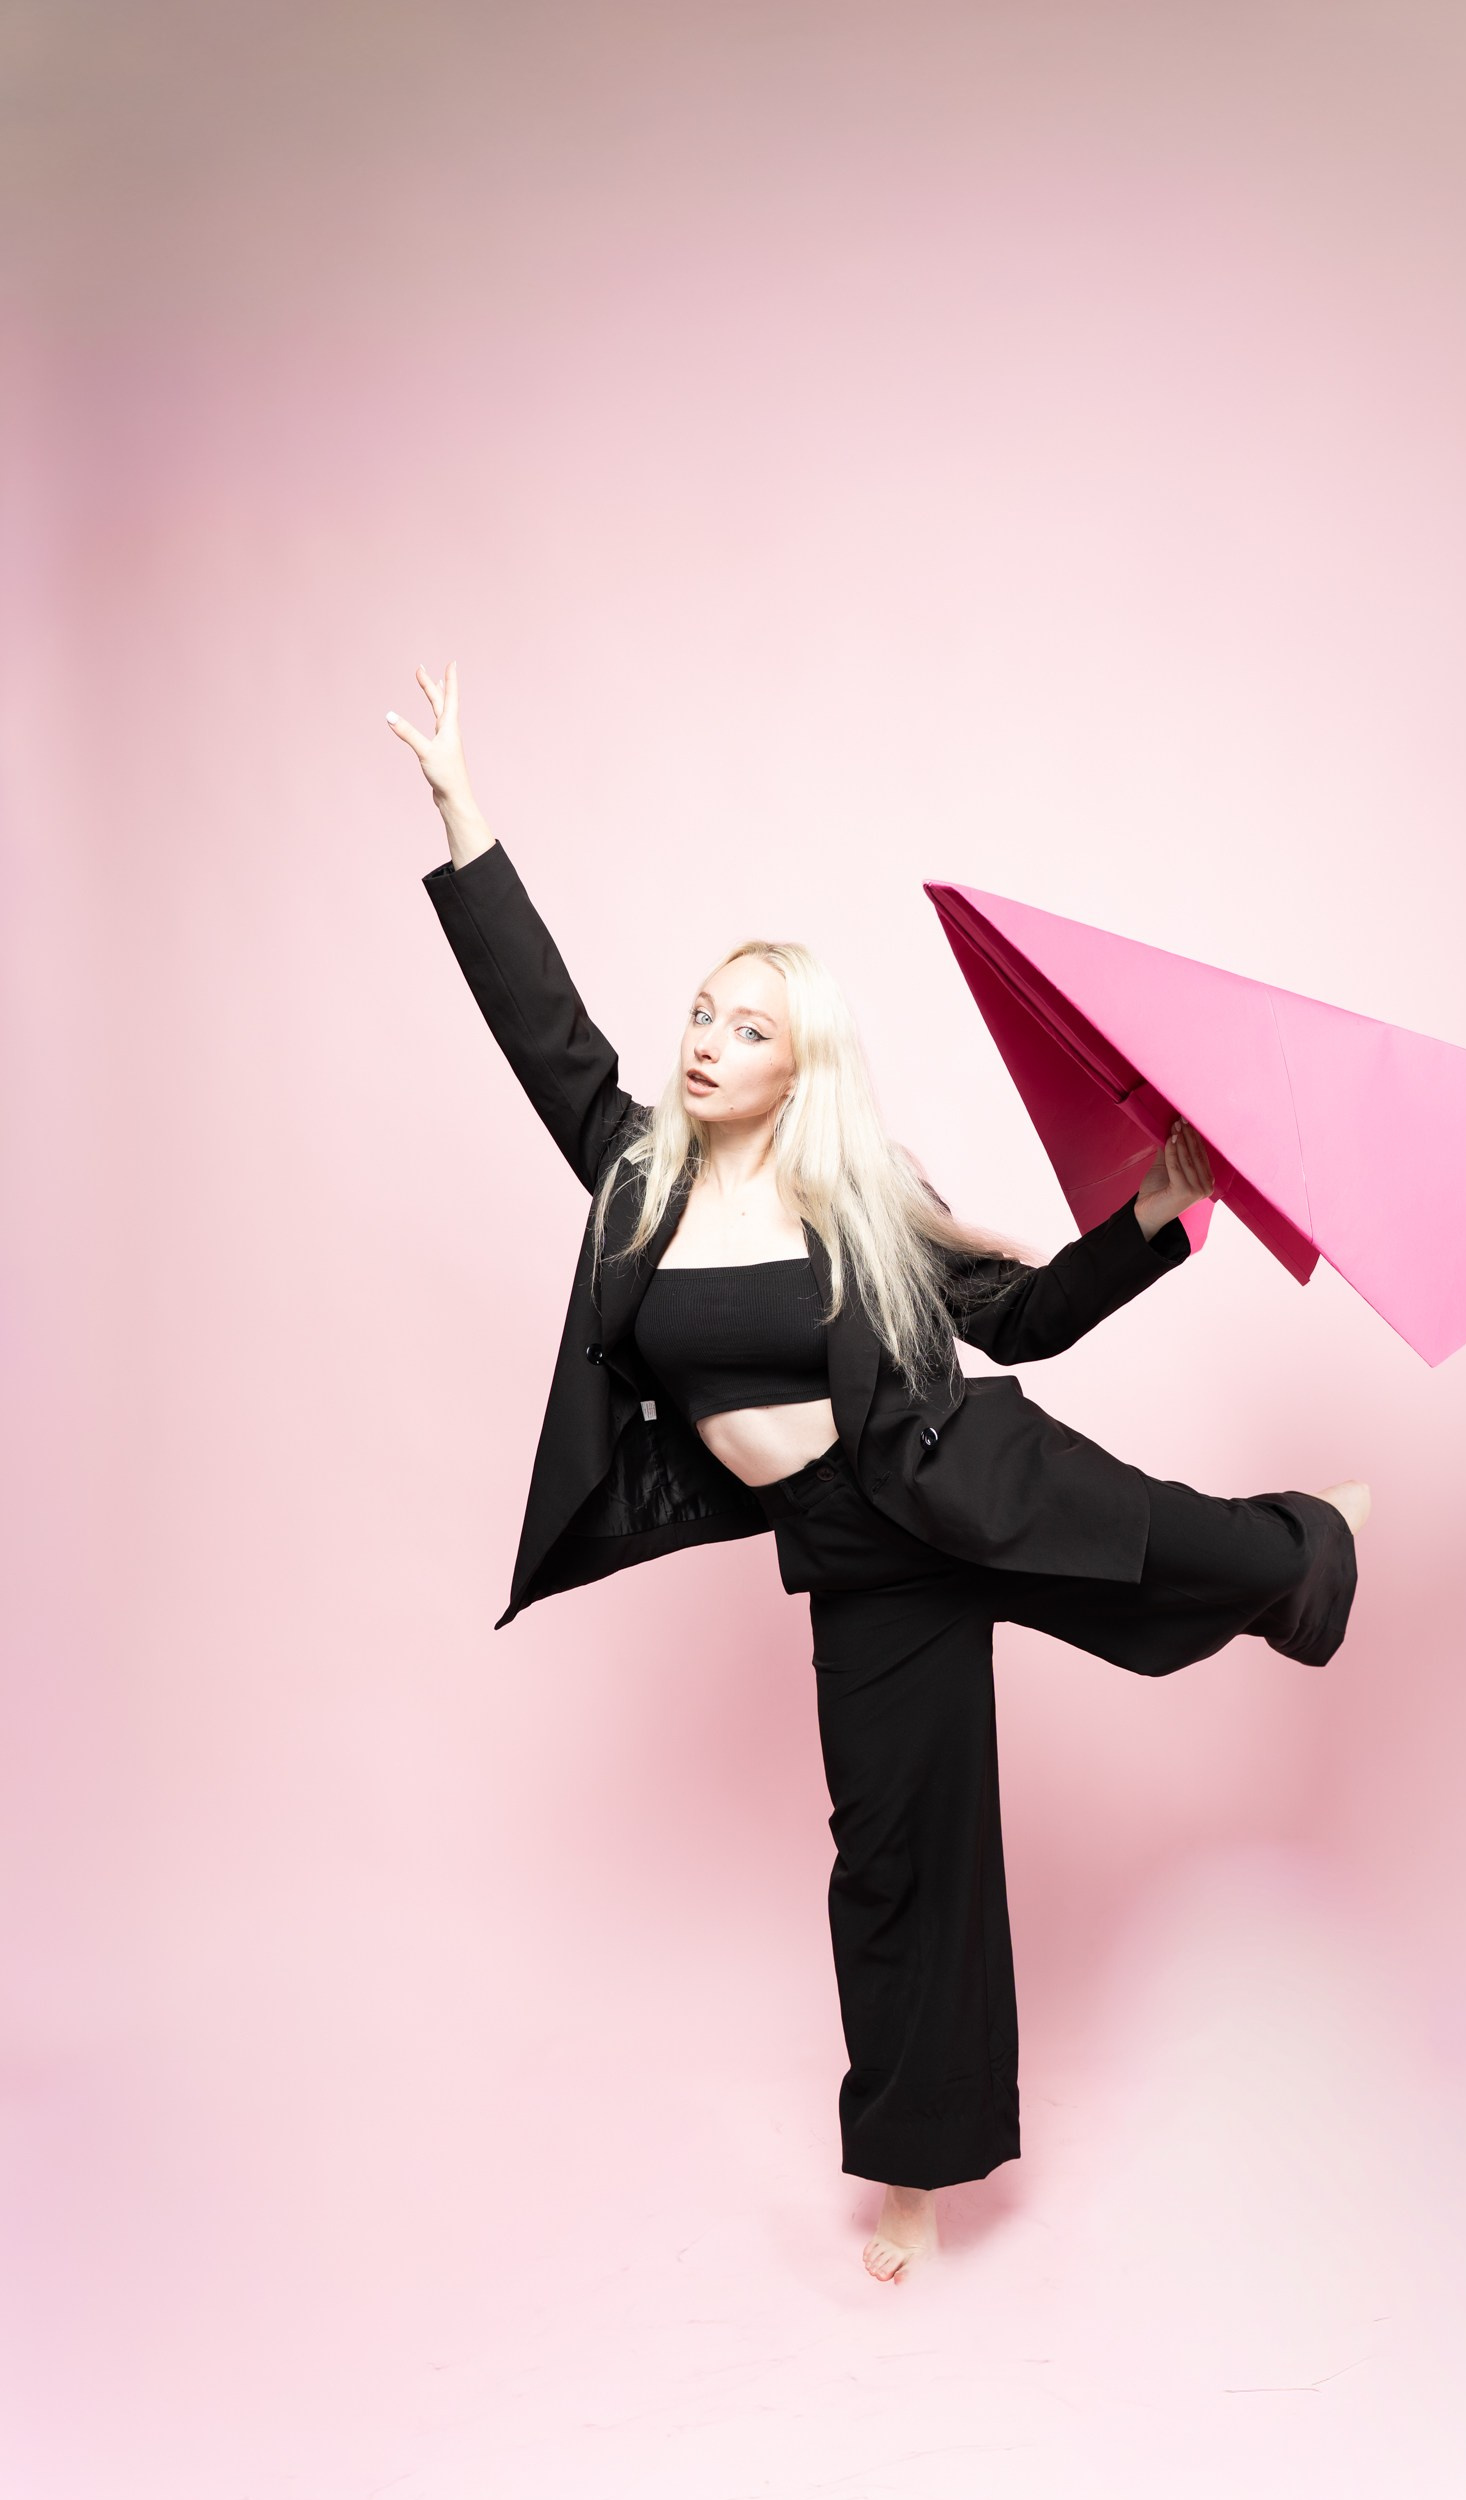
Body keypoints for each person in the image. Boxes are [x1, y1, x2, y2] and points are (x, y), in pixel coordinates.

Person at [390, 660, 1370, 2286]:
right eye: (702, 1014)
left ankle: (1310, 1542)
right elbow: (543, 1031)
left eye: (749, 1028)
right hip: (855, 1551)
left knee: (1171, 1553)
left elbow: (1025, 1321)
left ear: (801, 1068)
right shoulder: (635, 1179)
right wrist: (464, 818)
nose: (709, 1044)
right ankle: (915, 2169)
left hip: (967, 1467)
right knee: (898, 1859)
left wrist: (1151, 1215)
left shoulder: (859, 1200)